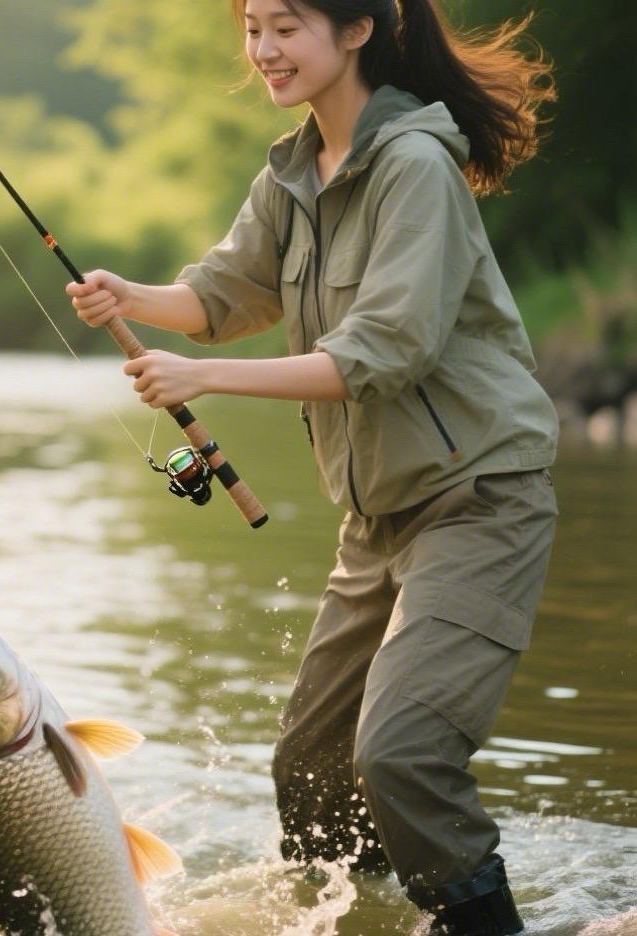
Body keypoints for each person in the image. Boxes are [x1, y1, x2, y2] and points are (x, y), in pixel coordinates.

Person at [67, 0, 558, 932]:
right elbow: (222, 293)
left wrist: (202, 375)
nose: (262, 51)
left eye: (286, 27)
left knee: (403, 756)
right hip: (374, 524)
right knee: (311, 770)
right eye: (252, 28)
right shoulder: (292, 171)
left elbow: (386, 349)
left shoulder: (415, 167)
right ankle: (359, 920)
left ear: (359, 29)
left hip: (479, 504)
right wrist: (132, 296)